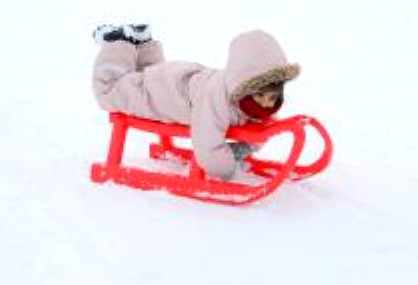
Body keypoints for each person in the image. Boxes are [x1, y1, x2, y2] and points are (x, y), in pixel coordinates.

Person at [90, 24, 300, 180]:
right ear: (242, 85)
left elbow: (263, 126)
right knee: (109, 91)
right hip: (162, 93)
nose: (265, 105)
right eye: (259, 96)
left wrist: (241, 150)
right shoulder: (216, 100)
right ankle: (117, 42)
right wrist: (227, 168)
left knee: (141, 78)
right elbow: (206, 145)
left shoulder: (250, 96)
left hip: (179, 81)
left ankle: (143, 42)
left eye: (272, 98)